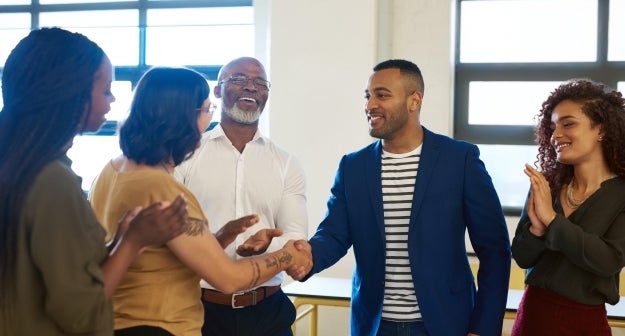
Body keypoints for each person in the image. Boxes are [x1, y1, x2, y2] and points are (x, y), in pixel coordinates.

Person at [287, 59, 511, 336]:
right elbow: (333, 235)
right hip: (375, 326)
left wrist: (483, 328)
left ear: (414, 100)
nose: (370, 105)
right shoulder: (353, 167)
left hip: (446, 324)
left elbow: (495, 250)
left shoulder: (460, 160)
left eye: (382, 95)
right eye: (368, 96)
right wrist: (307, 256)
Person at [89, 66, 311, 336]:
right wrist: (289, 254)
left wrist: (219, 237)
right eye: (208, 110)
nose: (210, 120)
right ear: (184, 117)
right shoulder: (164, 189)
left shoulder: (111, 170)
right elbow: (228, 278)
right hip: (159, 325)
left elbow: (160, 257)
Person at [0, 28, 188, 336]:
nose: (113, 100)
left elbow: (47, 273)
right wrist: (133, 241)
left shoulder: (20, 165)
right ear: (72, 93)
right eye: (106, 90)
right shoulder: (51, 182)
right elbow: (81, 313)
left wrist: (117, 242)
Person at [174, 56, 308, 336]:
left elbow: (296, 239)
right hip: (200, 313)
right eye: (238, 79)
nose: (250, 87)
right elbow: (175, 236)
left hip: (269, 314)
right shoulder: (185, 154)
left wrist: (266, 247)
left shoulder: (285, 163)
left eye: (260, 82)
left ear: (266, 94)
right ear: (218, 90)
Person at [510, 79, 625, 335]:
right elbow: (521, 256)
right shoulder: (545, 186)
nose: (555, 135)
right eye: (552, 127)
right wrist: (537, 231)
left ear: (601, 130)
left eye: (568, 123)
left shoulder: (621, 195)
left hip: (584, 324)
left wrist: (552, 220)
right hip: (531, 317)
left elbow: (608, 260)